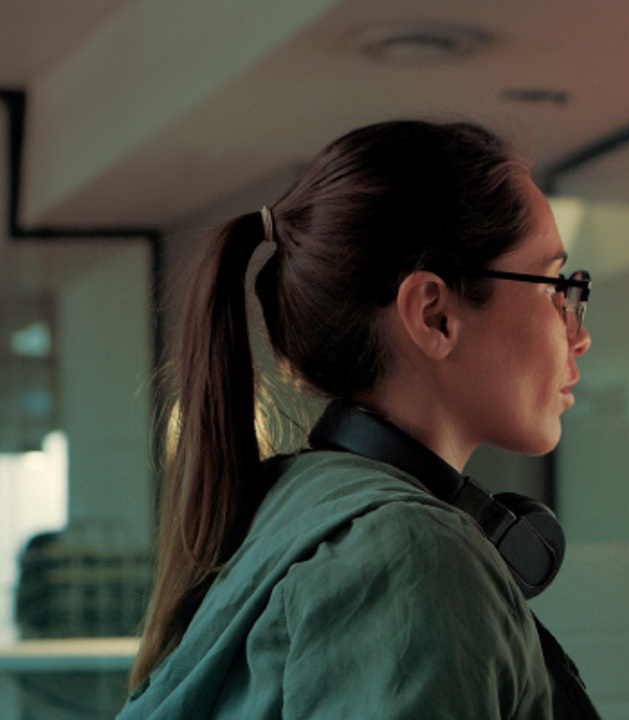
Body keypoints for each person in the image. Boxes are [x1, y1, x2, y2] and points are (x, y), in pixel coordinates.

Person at [118, 120, 597, 719]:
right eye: (555, 286)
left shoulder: (304, 502)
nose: (577, 335)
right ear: (434, 314)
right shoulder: (413, 557)